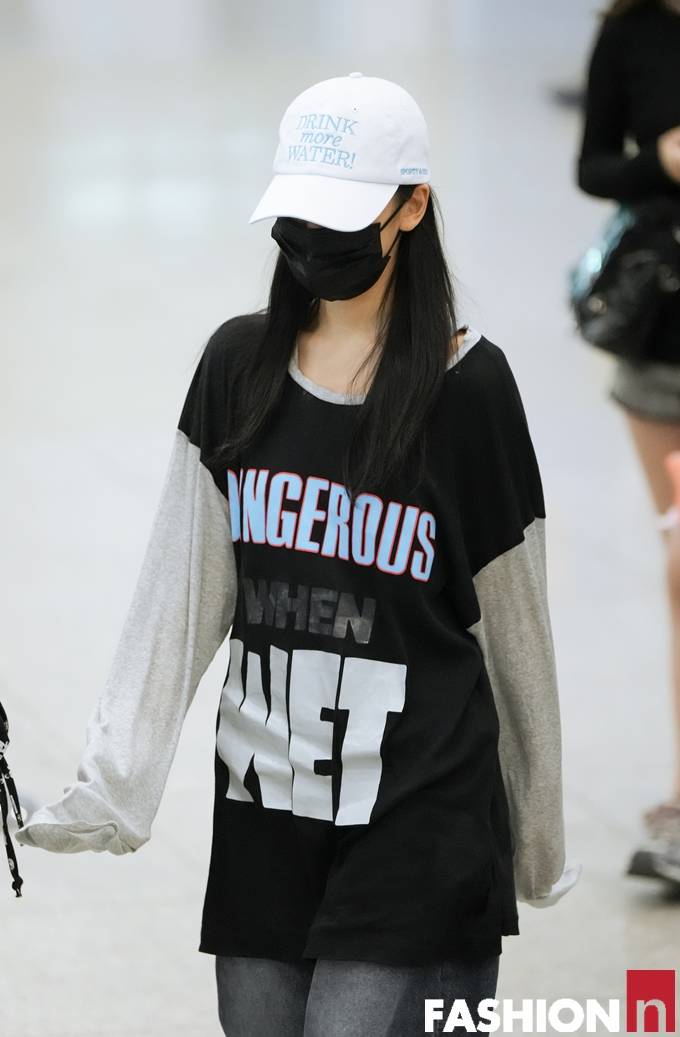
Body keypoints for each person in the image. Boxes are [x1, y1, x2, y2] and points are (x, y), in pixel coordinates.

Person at [16, 72, 581, 1036]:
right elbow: (179, 593)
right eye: (300, 216)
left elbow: (518, 632)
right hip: (265, 822)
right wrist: (116, 780)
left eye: (342, 217)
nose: (315, 240)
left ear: (411, 207)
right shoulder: (235, 369)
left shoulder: (472, 393)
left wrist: (538, 835)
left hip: (421, 825)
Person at [576, 0, 680, 883]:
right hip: (662, 337)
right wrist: (662, 161)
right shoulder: (630, 27)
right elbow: (594, 166)